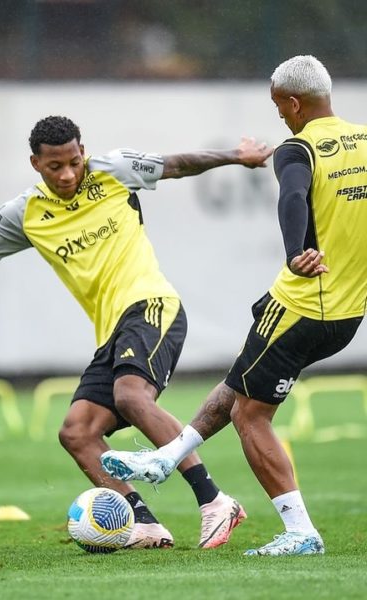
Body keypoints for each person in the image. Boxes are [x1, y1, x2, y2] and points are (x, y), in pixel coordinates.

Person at [0, 115, 272, 549]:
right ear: (35, 164)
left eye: (75, 162)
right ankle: (145, 522)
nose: (68, 174)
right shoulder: (24, 213)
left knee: (131, 396)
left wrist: (236, 157)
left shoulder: (113, 169)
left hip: (153, 305)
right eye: (55, 166)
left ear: (84, 152)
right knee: (77, 432)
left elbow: (178, 163)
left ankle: (214, 501)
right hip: (112, 330)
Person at [101, 55, 367, 556]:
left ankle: (299, 531)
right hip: (347, 315)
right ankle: (166, 457)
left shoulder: (299, 147)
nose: (280, 118)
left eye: (279, 107)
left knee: (250, 414)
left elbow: (292, 198)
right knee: (241, 381)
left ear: (293, 102)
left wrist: (294, 253)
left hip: (302, 307)